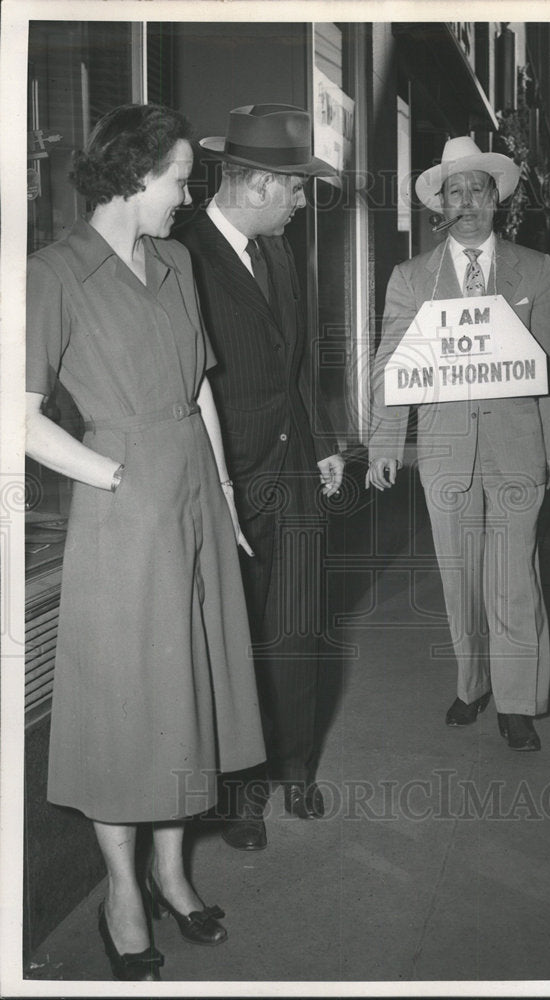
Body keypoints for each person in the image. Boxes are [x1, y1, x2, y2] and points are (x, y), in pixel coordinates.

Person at [25, 104, 266, 980]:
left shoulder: (175, 261)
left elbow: (201, 388)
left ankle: (173, 872)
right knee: (126, 708)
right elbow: (18, 420)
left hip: (197, 493)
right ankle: (124, 893)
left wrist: (226, 494)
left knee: (187, 692)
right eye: (176, 178)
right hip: (123, 510)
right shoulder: (54, 274)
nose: (186, 196)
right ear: (132, 177)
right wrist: (114, 476)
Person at [367, 137, 550, 751]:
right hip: (445, 447)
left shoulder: (535, 269)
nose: (468, 201)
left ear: (495, 199)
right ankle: (472, 683)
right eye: (455, 191)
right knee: (460, 579)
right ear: (441, 206)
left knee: (515, 579)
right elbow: (390, 362)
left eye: (478, 189)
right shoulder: (410, 278)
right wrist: (383, 441)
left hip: (517, 445)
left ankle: (517, 702)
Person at [177, 104, 344, 846]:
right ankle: (239, 796)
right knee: (233, 639)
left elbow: (297, 361)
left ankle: (297, 769)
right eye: (297, 188)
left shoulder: (280, 249)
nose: (304, 201)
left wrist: (326, 443)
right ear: (258, 183)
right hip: (229, 480)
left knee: (300, 627)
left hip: (297, 474)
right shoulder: (180, 253)